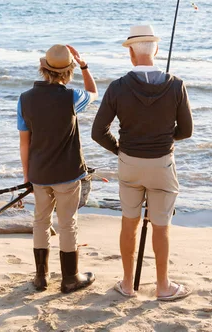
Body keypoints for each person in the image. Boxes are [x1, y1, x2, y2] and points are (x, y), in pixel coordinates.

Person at [92, 25, 193, 301]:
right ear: (156, 50)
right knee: (161, 226)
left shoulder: (117, 87)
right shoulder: (176, 85)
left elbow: (97, 131)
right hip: (162, 164)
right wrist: (162, 138)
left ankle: (127, 284)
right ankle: (163, 286)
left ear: (131, 55)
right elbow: (186, 131)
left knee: (129, 222)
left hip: (129, 164)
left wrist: (122, 150)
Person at [18, 44, 98, 293]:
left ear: (43, 69)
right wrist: (85, 66)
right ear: (69, 71)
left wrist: (27, 176)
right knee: (67, 224)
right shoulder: (72, 98)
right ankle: (70, 278)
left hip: (39, 174)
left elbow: (24, 142)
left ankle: (41, 278)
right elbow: (93, 92)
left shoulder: (25, 99)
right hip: (67, 173)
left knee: (40, 222)